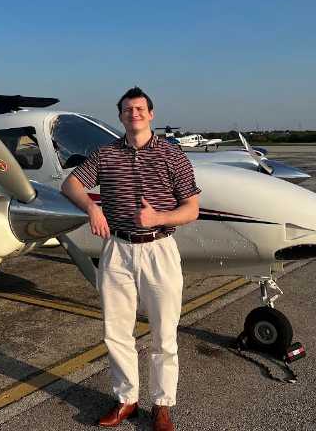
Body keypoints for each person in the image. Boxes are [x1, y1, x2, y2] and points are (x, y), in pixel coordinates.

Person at [61, 87, 200, 431]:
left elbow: (191, 209)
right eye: (127, 109)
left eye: (139, 108)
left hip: (159, 248)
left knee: (164, 333)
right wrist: (92, 208)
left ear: (151, 114)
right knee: (116, 331)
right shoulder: (106, 154)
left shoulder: (172, 156)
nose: (134, 113)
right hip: (117, 249)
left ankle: (162, 405)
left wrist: (159, 218)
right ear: (121, 116)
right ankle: (127, 400)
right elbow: (71, 184)